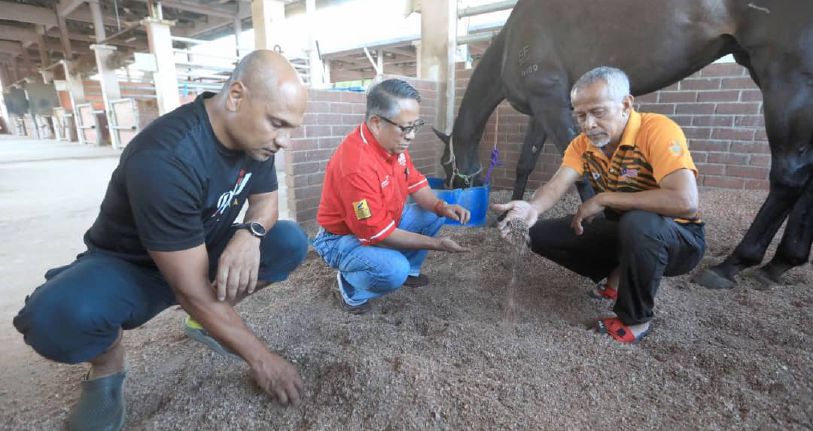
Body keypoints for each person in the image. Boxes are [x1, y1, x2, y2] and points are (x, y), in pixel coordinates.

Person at [13, 50, 310, 431]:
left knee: (287, 239)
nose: (284, 141)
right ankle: (108, 367)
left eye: (291, 128)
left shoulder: (255, 137)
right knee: (56, 318)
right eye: (278, 124)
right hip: (132, 267)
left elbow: (266, 201)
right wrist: (263, 360)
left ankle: (206, 321)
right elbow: (189, 288)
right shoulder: (167, 157)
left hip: (200, 249)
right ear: (236, 96)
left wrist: (249, 234)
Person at [494, 66, 705, 343]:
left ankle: (636, 319)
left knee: (638, 223)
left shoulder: (657, 130)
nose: (588, 124)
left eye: (598, 112)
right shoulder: (582, 145)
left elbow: (685, 201)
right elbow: (557, 184)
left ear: (626, 105)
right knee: (537, 233)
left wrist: (604, 198)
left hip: (678, 239)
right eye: (580, 115)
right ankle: (617, 278)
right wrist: (532, 208)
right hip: (625, 230)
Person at [313, 79, 471, 314]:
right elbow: (379, 235)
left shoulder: (393, 146)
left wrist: (442, 207)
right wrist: (437, 244)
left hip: (386, 219)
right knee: (392, 270)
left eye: (416, 125)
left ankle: (410, 271)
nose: (412, 136)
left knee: (433, 213)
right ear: (376, 123)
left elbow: (417, 185)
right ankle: (351, 289)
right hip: (341, 238)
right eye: (406, 128)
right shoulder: (356, 165)